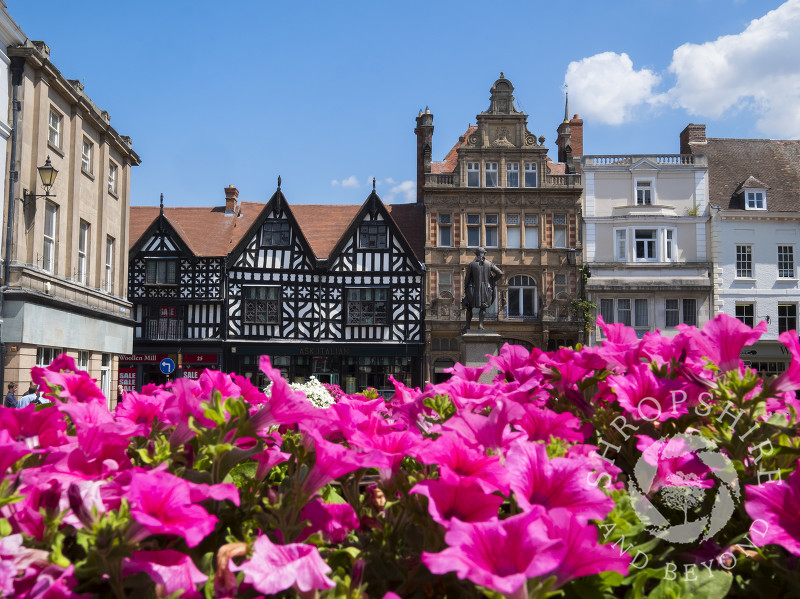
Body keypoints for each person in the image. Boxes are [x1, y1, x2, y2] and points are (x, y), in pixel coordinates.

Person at [462, 247, 503, 333]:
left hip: (473, 289)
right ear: (484, 253)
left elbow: (467, 279)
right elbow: (500, 273)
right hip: (485, 289)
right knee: (483, 307)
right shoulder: (489, 264)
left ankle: (468, 325)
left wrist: (466, 290)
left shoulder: (471, 264)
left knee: (469, 306)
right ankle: (480, 325)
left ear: (476, 254)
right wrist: (492, 281)